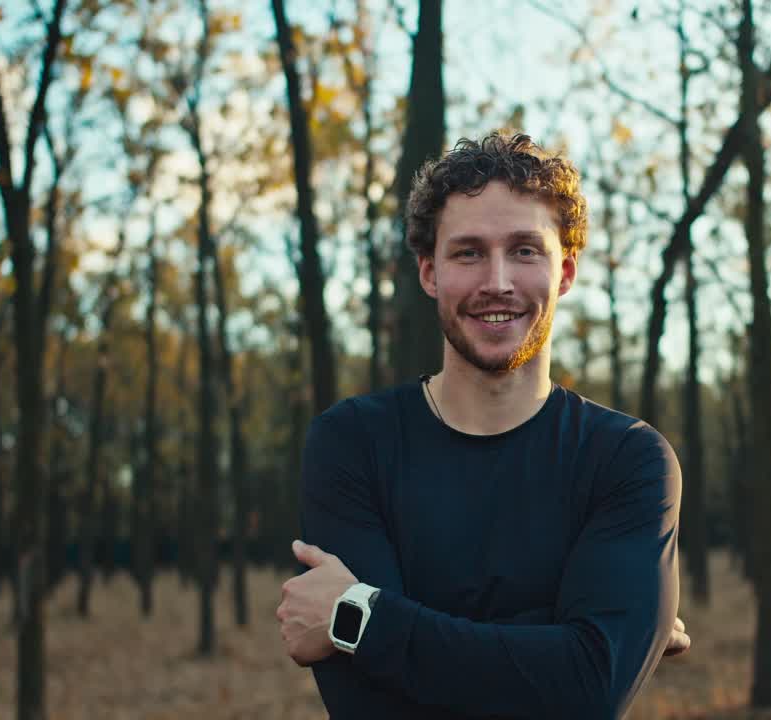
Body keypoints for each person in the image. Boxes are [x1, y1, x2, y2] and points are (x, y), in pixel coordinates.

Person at [275, 132, 686, 719]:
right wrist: (566, 642)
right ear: (429, 273)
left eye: (525, 250)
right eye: (468, 253)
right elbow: (369, 707)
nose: (497, 281)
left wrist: (361, 619)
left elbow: (591, 690)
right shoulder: (353, 444)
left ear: (565, 272)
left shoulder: (628, 458)